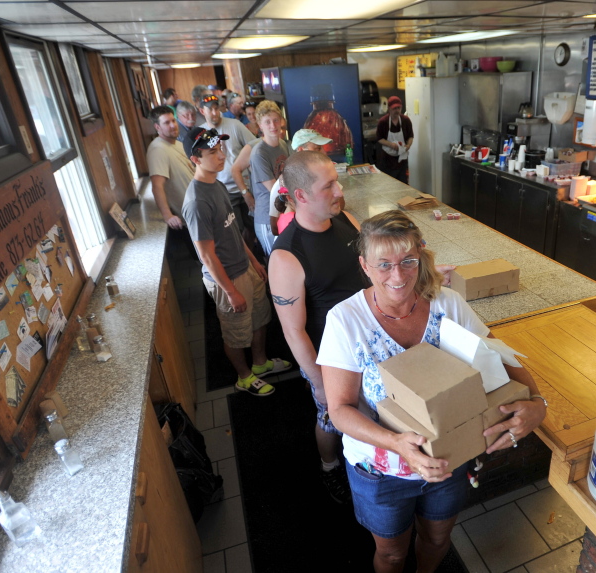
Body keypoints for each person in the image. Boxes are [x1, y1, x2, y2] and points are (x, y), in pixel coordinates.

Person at [317, 210, 547, 572]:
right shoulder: (345, 320)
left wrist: (538, 402)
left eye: (408, 261)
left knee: (438, 539)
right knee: (391, 554)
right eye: (384, 264)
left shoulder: (447, 304)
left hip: (448, 459)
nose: (398, 276)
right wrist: (396, 443)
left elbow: (500, 355)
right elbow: (340, 410)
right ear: (364, 265)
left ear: (420, 256)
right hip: (381, 470)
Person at [269, 150, 366, 504]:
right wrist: (319, 382)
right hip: (331, 359)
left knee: (368, 414)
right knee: (329, 419)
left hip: (368, 342)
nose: (339, 191)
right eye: (329, 186)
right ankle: (329, 466)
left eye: (336, 181)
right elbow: (293, 331)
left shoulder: (347, 221)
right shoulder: (287, 256)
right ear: (301, 195)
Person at [181, 126, 292, 396]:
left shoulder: (217, 184)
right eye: (212, 152)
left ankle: (260, 363)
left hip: (245, 267)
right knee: (235, 332)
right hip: (227, 277)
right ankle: (244, 377)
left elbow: (232, 231)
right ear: (195, 159)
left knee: (260, 318)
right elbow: (206, 255)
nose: (222, 155)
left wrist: (254, 261)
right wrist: (230, 291)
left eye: (220, 149)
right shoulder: (196, 202)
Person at [199, 93, 258, 243]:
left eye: (216, 108)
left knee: (254, 226)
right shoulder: (201, 134)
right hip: (224, 191)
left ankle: (253, 253)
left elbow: (255, 146)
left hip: (246, 185)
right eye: (210, 109)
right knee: (235, 230)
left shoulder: (235, 125)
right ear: (202, 111)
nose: (214, 113)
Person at [267, 129, 332, 236]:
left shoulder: (322, 176)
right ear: (301, 150)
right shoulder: (284, 181)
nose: (324, 153)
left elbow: (339, 204)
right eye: (317, 148)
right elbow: (274, 227)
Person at [248, 100, 289, 256]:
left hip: (283, 211)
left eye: (276, 120)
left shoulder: (283, 144)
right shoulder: (259, 153)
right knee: (274, 259)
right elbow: (275, 189)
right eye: (267, 122)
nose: (273, 125)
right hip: (267, 217)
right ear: (260, 125)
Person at [146, 105, 194, 233]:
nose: (173, 125)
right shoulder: (158, 149)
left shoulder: (178, 144)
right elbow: (157, 186)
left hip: (199, 209)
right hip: (188, 220)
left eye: (173, 120)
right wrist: (168, 216)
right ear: (157, 127)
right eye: (167, 123)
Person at [376, 96, 414, 184]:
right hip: (387, 160)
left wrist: (408, 145)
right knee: (389, 184)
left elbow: (410, 136)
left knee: (403, 184)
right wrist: (391, 145)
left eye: (398, 108)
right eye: (394, 108)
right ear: (389, 109)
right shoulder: (383, 122)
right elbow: (379, 138)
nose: (397, 110)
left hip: (402, 160)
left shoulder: (406, 120)